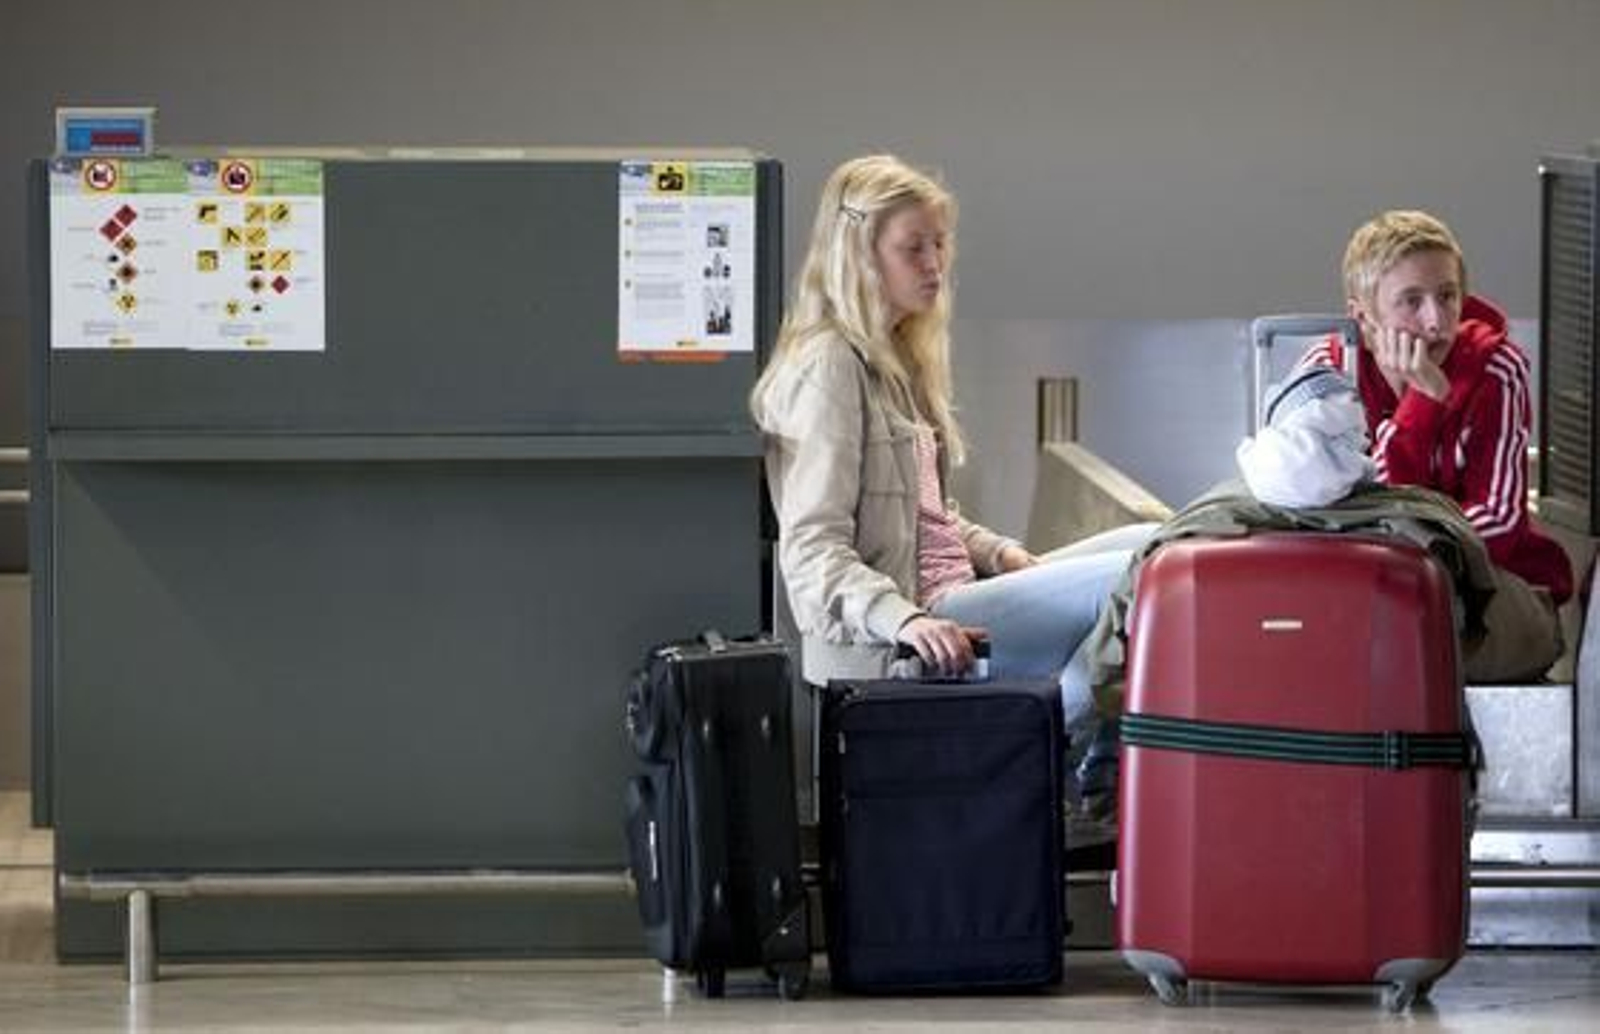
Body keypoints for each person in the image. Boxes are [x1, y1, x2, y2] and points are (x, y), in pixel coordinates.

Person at [750, 154, 1153, 813]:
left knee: (1160, 542)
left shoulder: (892, 362)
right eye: (914, 248)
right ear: (860, 254)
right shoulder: (829, 364)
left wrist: (999, 553)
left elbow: (923, 513)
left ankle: (1075, 756)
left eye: (940, 244)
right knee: (1153, 574)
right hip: (906, 627)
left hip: (951, 591)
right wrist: (901, 617)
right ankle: (1077, 760)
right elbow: (812, 552)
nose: (935, 264)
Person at [1298, 209, 1572, 681]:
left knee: (1406, 648)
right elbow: (1336, 519)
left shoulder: (1496, 368)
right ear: (1363, 317)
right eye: (1411, 301)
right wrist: (1416, 414)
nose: (1436, 321)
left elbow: (1500, 523)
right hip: (1372, 591)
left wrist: (1423, 403)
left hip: (1497, 587)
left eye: (1448, 296)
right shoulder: (1328, 371)